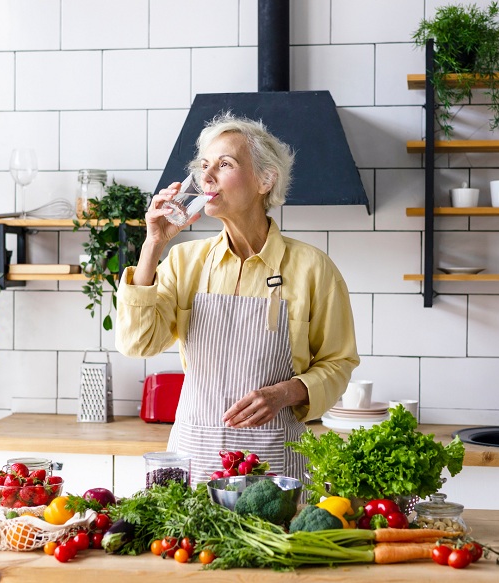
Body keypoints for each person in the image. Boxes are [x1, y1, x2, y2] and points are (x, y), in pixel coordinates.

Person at [115, 112, 359, 484]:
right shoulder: (184, 261)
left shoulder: (313, 268)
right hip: (194, 456)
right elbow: (138, 343)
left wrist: (285, 393)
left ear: (265, 180)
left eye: (225, 164)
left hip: (275, 464)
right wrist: (153, 245)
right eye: (204, 166)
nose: (206, 177)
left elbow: (339, 362)